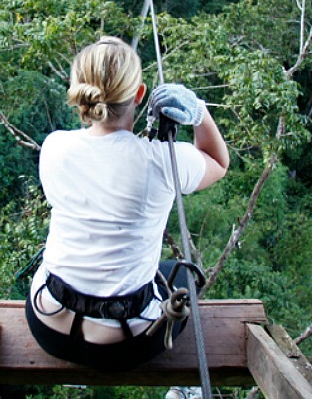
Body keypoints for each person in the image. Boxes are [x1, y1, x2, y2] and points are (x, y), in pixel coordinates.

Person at [25, 35, 229, 371]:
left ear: (80, 93)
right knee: (181, 279)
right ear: (139, 94)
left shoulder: (54, 147)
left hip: (48, 325)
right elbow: (218, 163)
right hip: (122, 345)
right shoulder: (162, 161)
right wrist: (198, 111)